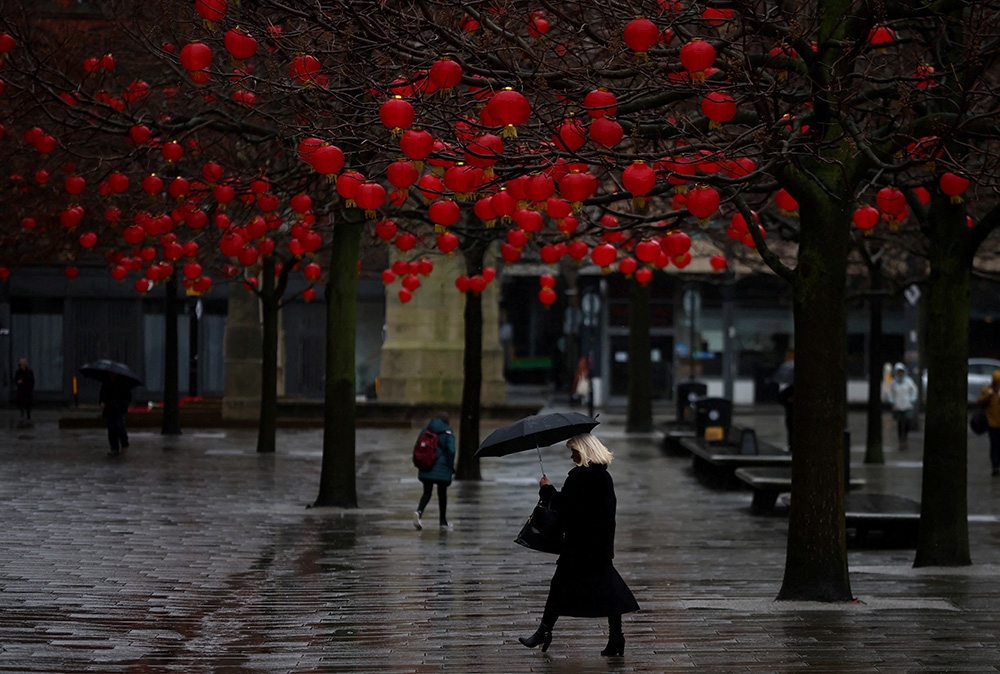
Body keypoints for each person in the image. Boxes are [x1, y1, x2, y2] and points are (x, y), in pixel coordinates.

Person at [519, 433, 639, 657]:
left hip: (580, 547)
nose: (571, 456)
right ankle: (616, 638)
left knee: (559, 586)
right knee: (609, 590)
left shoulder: (580, 477)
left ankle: (544, 632)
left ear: (583, 451)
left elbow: (565, 508)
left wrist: (546, 489)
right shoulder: (603, 477)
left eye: (573, 451)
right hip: (598, 545)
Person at [413, 412, 456, 530]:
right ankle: (443, 521)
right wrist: (450, 466)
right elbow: (451, 451)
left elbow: (417, 447)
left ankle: (419, 512)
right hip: (442, 468)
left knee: (427, 492)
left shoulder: (426, 430)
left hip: (427, 465)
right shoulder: (448, 432)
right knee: (442, 494)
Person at [883, 362, 918, 449]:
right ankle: (901, 441)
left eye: (901, 371)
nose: (900, 373)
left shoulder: (908, 381)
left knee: (907, 423)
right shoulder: (893, 382)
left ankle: (905, 438)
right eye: (899, 372)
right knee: (900, 424)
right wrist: (892, 400)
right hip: (898, 406)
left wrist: (912, 399)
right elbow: (889, 392)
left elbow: (914, 390)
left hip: (907, 406)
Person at [99, 373, 132, 456]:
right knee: (111, 429)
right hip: (109, 409)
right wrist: (102, 401)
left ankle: (124, 444)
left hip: (119, 408)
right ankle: (114, 448)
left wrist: (122, 404)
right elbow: (102, 394)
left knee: (120, 427)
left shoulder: (123, 383)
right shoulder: (106, 382)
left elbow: (127, 396)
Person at [976, 370, 1000, 476]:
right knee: (994, 445)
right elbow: (980, 402)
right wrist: (989, 395)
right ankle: (995, 466)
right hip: (992, 423)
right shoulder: (988, 391)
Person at [14, 358, 35, 423]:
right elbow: (15, 380)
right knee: (21, 403)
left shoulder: (29, 371)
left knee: (28, 404)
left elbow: (32, 380)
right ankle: (22, 414)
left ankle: (28, 415)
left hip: (27, 390)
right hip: (21, 389)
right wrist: (18, 382)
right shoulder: (18, 372)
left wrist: (30, 387)